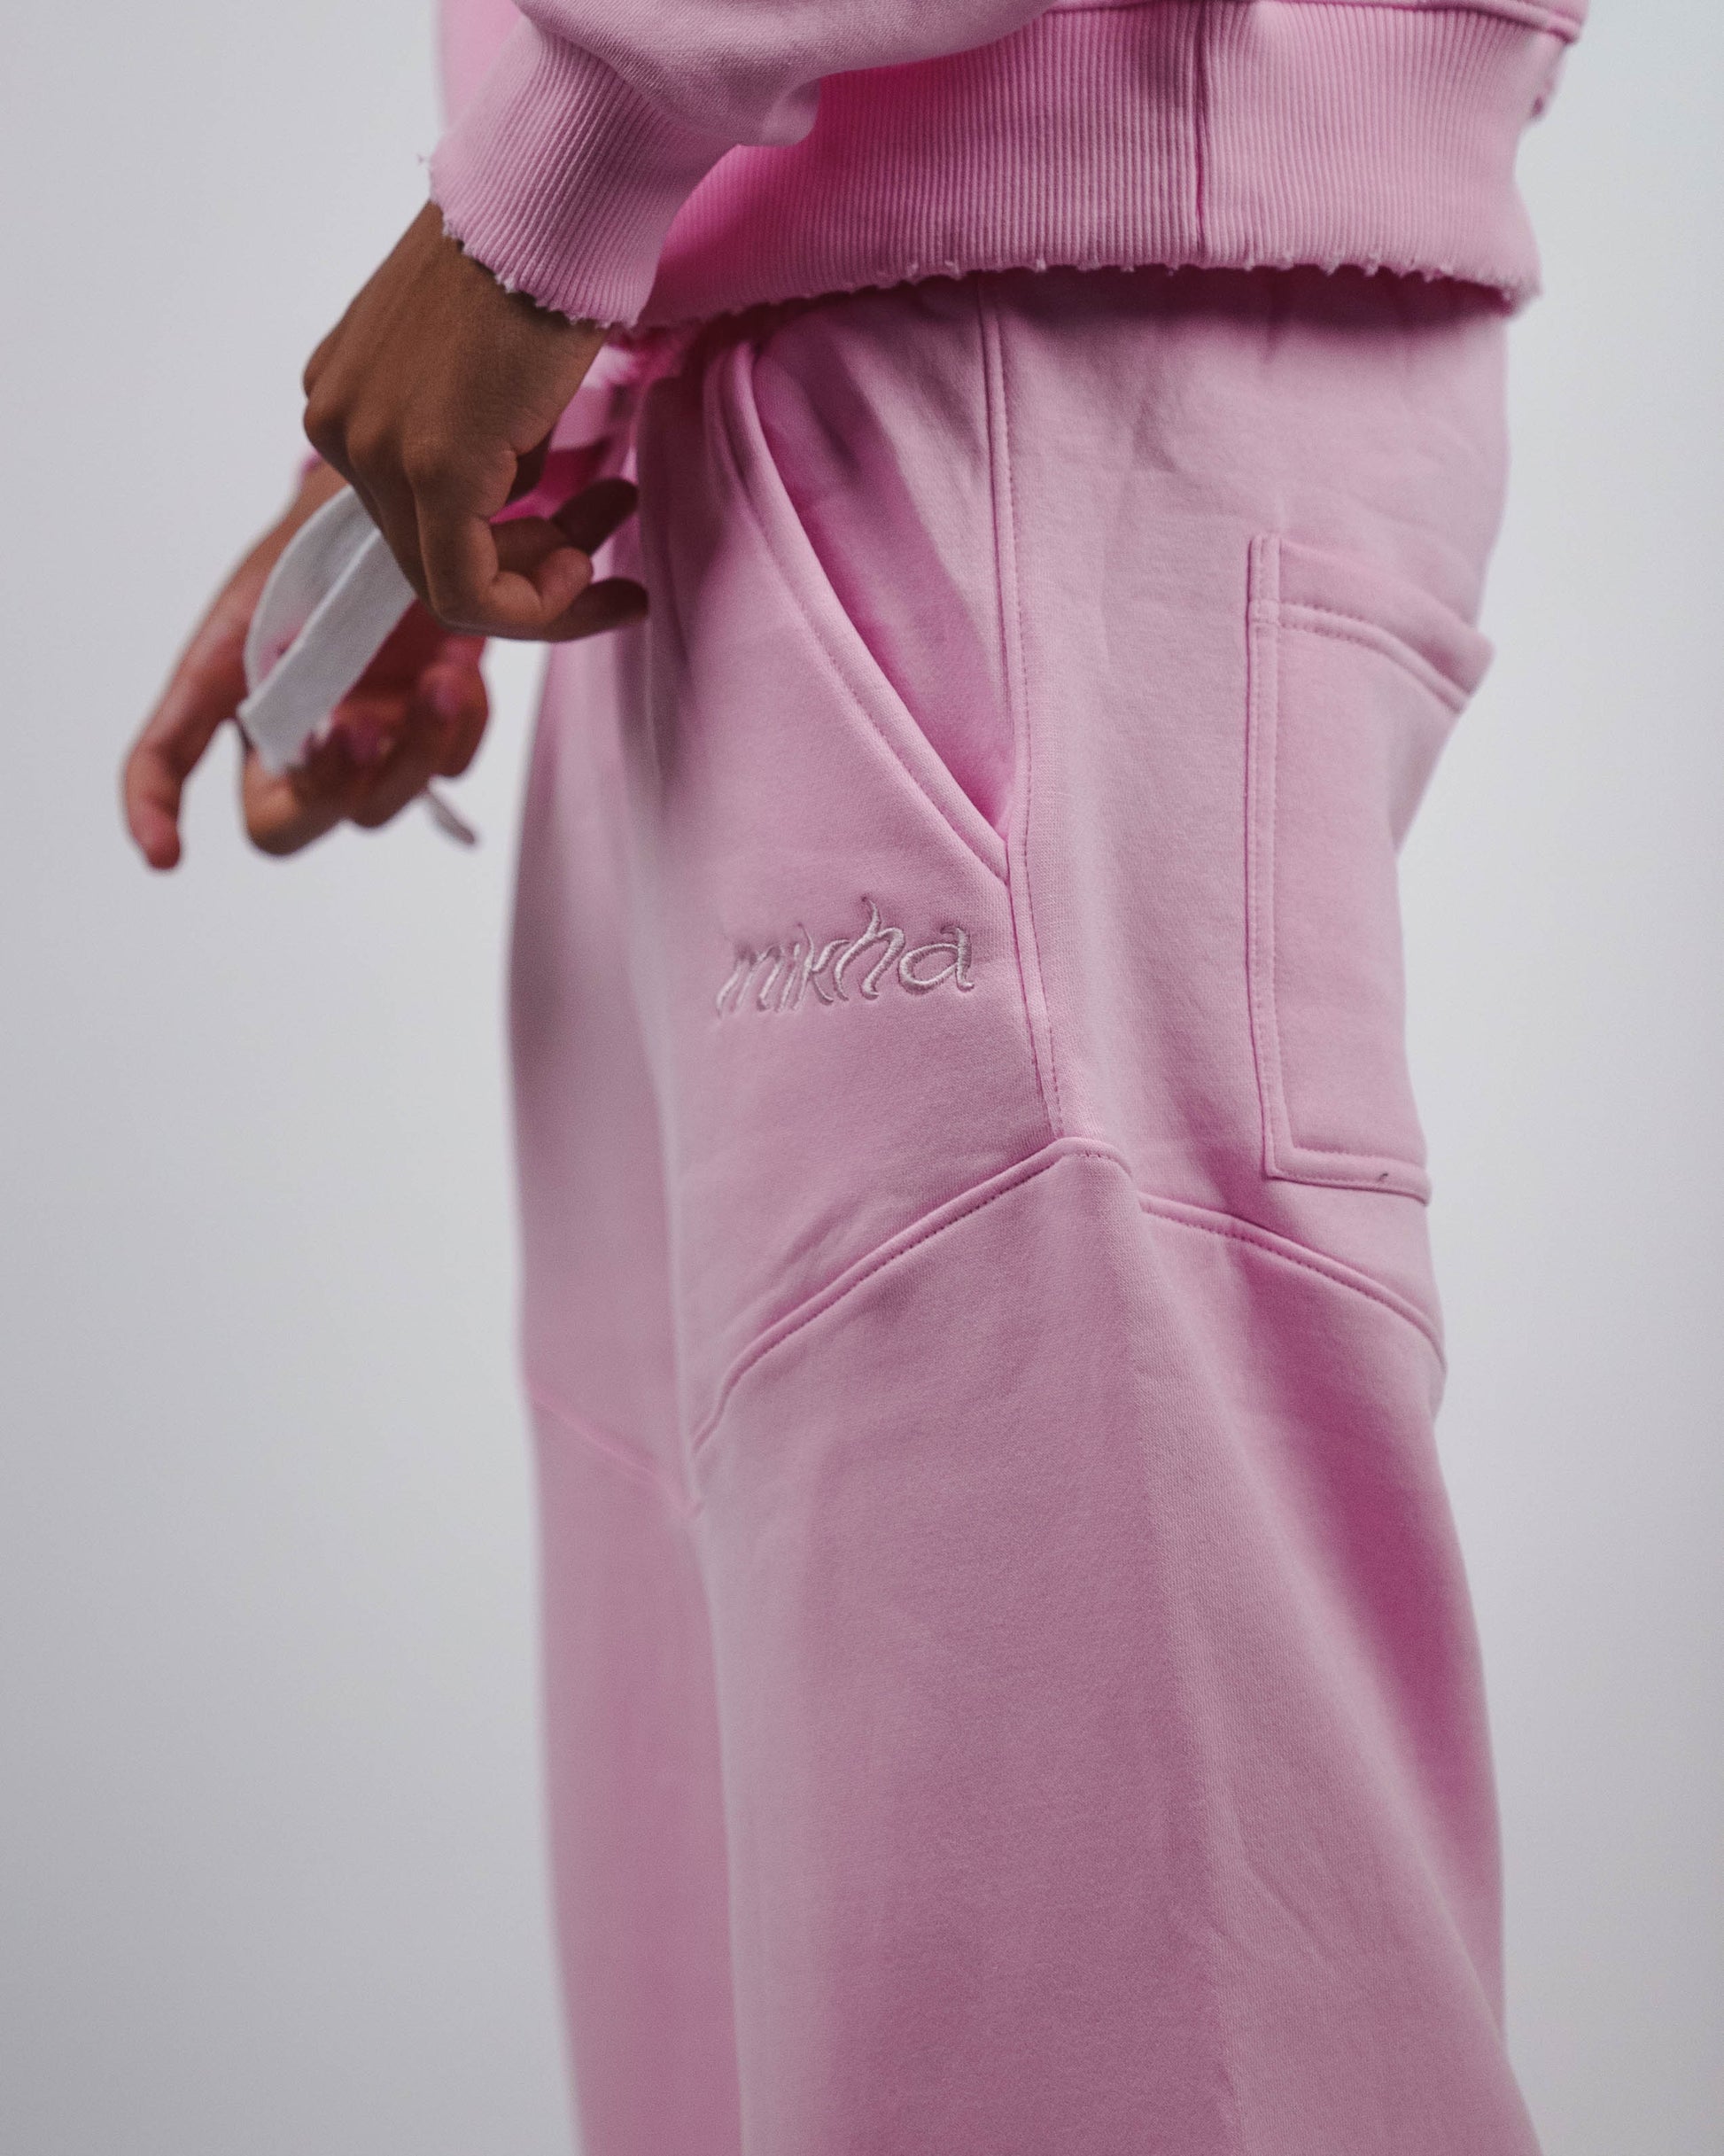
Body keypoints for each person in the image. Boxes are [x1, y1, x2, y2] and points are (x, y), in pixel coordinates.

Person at [122, 2, 1588, 2150]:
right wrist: (508, 374)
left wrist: (553, 175)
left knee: (1104, 2030)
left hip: (988, 404)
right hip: (769, 405)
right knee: (814, 2004)